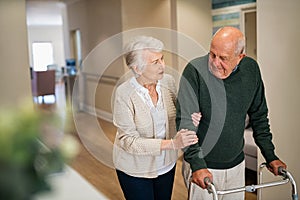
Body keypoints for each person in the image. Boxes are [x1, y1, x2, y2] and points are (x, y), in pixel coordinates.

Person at [176, 26, 287, 200]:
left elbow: (259, 116)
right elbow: (185, 122)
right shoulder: (194, 71)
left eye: (223, 58)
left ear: (240, 57)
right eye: (212, 54)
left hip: (236, 164)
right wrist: (196, 164)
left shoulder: (251, 70)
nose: (214, 62)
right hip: (203, 165)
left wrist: (270, 155)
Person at [112, 35, 200, 200]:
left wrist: (190, 119)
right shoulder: (124, 94)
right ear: (137, 68)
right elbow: (128, 141)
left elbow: (177, 115)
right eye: (155, 62)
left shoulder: (168, 82)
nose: (163, 65)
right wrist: (173, 144)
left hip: (166, 165)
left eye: (162, 59)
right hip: (135, 170)